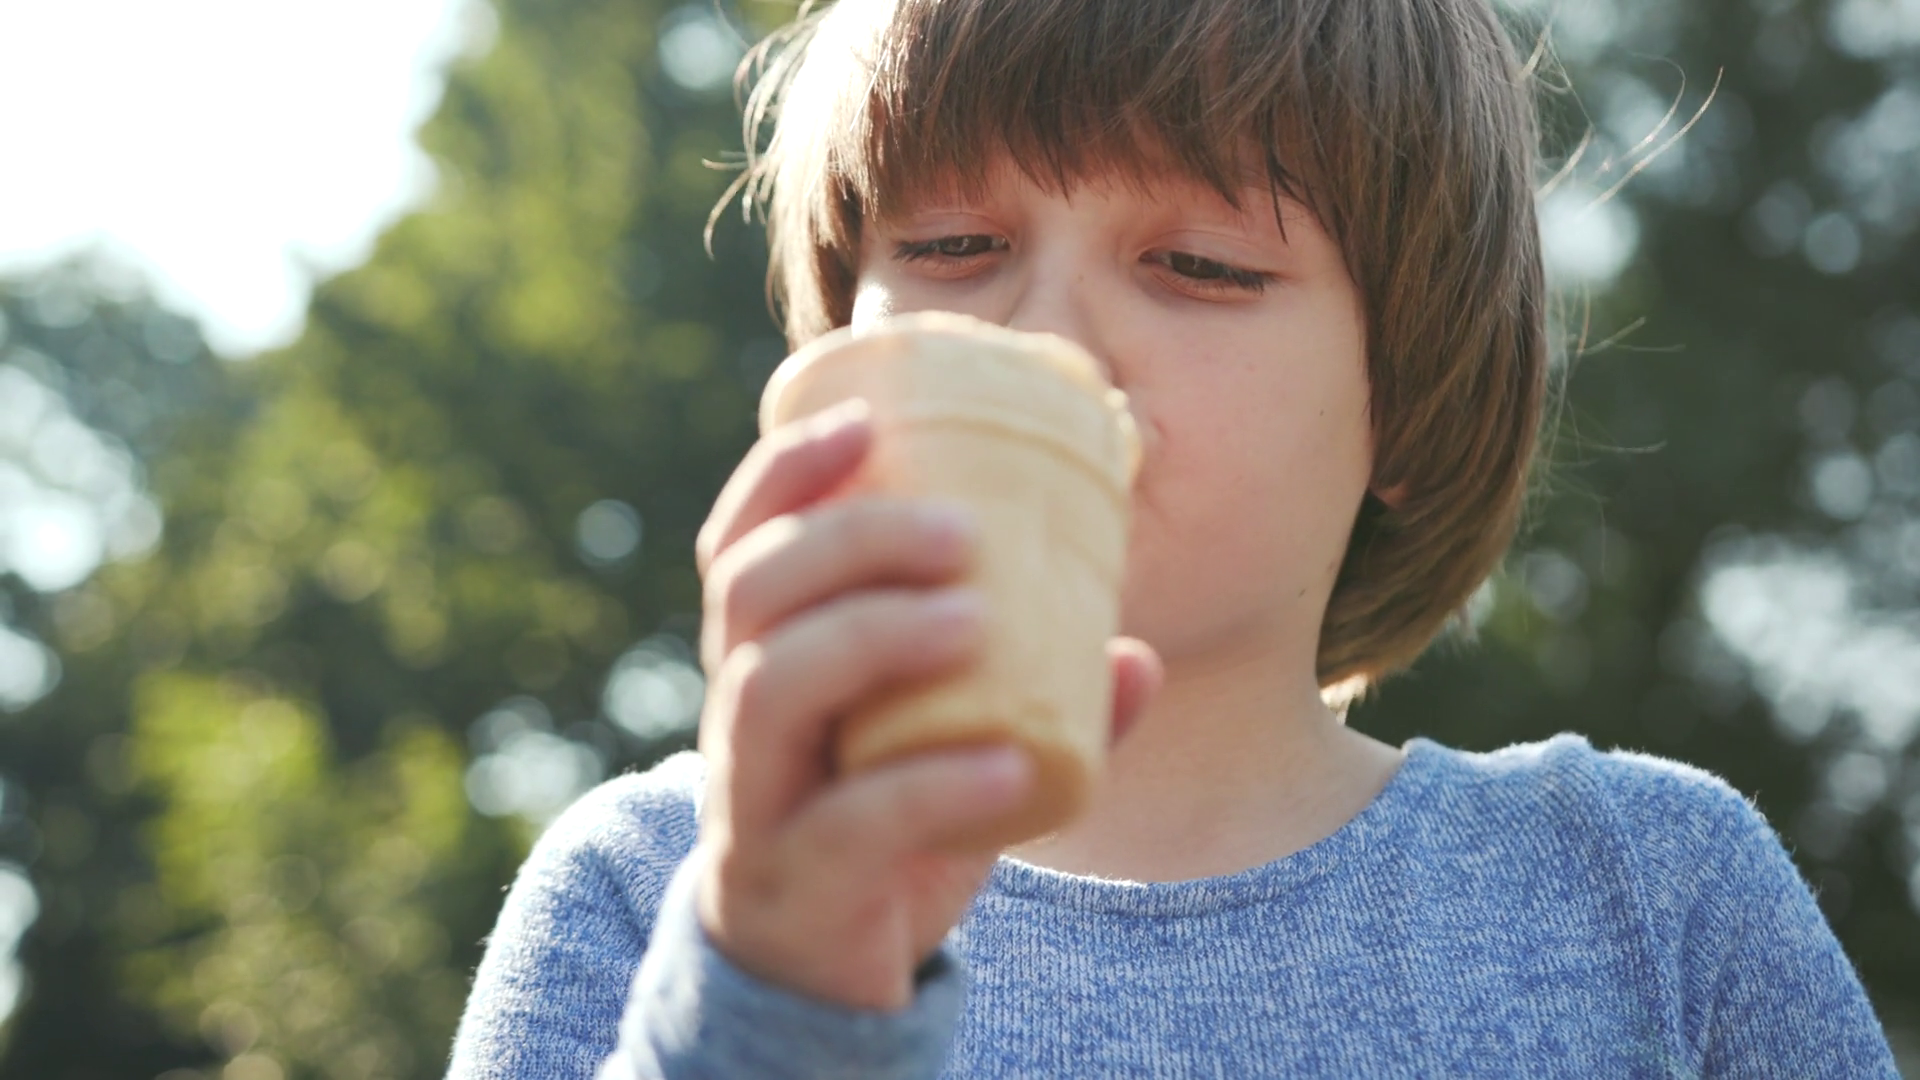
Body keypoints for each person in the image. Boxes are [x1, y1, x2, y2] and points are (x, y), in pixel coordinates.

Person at [446, 0, 1902, 1075]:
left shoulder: (1649, 891)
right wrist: (774, 997)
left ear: (1408, 407)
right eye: (951, 248)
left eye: (1199, 265)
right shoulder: (654, 889)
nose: (1045, 339)